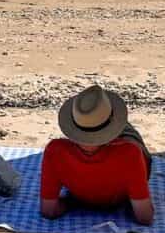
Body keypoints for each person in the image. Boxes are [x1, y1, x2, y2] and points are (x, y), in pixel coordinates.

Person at [40, 84, 154, 224]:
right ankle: (104, 121)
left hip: (79, 194)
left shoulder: (55, 150)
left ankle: (94, 124)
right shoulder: (130, 153)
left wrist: (72, 203)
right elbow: (144, 217)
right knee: (127, 128)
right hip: (125, 168)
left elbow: (48, 211)